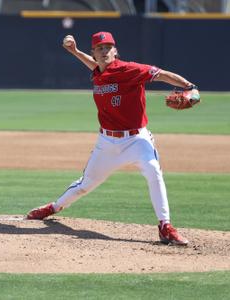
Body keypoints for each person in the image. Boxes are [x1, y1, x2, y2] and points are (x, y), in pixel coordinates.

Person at [26, 32, 200, 246]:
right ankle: (53, 207)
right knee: (85, 184)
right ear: (94, 53)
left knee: (154, 172)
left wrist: (190, 87)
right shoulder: (98, 71)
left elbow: (162, 74)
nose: (105, 51)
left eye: (109, 47)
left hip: (137, 139)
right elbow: (95, 66)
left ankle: (165, 226)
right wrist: (74, 51)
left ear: (115, 51)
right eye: (100, 48)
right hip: (106, 143)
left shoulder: (129, 70)